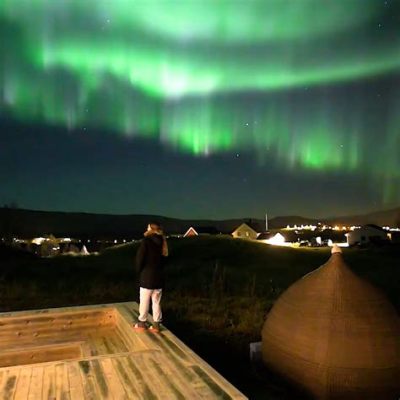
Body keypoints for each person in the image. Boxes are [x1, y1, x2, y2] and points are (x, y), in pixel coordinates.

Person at [134, 222, 168, 333]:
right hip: (158, 278)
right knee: (156, 302)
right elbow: (164, 260)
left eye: (147, 227)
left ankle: (141, 323)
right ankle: (156, 325)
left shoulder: (146, 241)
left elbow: (140, 258)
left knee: (144, 301)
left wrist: (138, 271)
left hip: (147, 277)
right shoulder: (163, 241)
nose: (146, 228)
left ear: (151, 229)